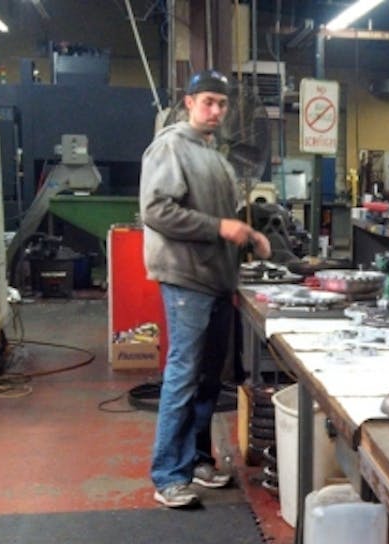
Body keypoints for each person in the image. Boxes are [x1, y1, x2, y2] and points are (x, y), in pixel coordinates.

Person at [139, 69, 271, 508]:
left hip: (216, 280)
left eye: (222, 103)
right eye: (208, 101)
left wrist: (251, 235)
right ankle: (167, 474)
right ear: (188, 101)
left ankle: (197, 459)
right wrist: (221, 227)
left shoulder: (214, 156)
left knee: (209, 376)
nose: (215, 111)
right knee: (184, 373)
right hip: (186, 278)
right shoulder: (172, 146)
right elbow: (157, 210)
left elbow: (225, 219)